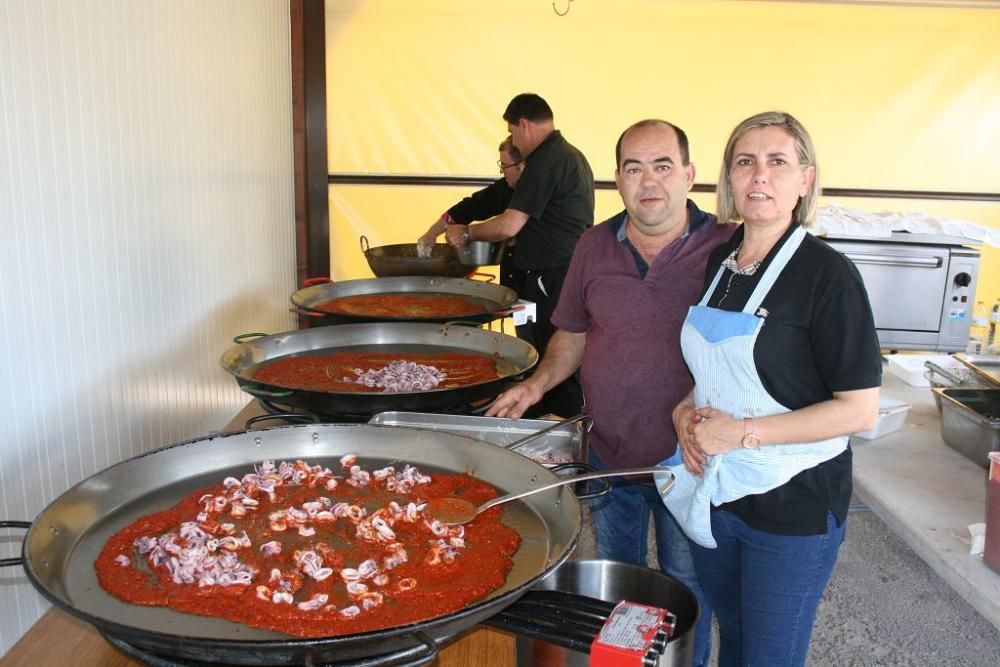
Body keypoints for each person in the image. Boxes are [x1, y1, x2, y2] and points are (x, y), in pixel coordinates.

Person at [487, 119, 736, 667]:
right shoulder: (593, 245)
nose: (649, 182)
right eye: (633, 168)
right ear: (617, 181)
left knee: (687, 588)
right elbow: (572, 333)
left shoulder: (729, 247)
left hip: (687, 463)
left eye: (663, 166)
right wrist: (535, 384)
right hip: (608, 456)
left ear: (690, 175)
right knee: (620, 590)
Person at [663, 111, 881, 666]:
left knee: (769, 656)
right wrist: (683, 413)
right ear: (729, 180)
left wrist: (742, 434)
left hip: (794, 504)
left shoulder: (828, 276)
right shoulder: (721, 262)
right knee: (734, 638)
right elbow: (712, 370)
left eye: (777, 162)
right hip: (718, 490)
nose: (759, 176)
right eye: (745, 162)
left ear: (804, 180)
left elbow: (859, 410)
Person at [447, 93, 594, 418]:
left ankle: (557, 425)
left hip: (554, 277)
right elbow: (489, 201)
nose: (514, 142)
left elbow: (510, 224)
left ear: (524, 125)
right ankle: (542, 417)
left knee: (554, 355)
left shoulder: (548, 158)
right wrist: (448, 222)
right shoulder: (564, 156)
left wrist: (468, 233)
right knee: (542, 354)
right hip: (549, 275)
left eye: (513, 133)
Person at [417, 137, 526, 293]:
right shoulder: (505, 188)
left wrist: (466, 233)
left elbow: (507, 227)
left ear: (522, 165)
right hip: (513, 275)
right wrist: (432, 233)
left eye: (504, 165)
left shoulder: (538, 191)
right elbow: (468, 208)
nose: (501, 171)